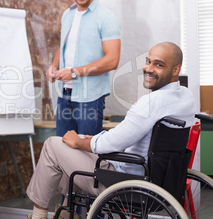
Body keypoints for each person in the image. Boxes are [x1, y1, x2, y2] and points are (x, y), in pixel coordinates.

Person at [27, 42, 195, 219]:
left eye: (158, 64)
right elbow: (129, 135)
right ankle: (66, 214)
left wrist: (79, 141)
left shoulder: (151, 103)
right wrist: (91, 139)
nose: (149, 68)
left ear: (176, 70)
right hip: (160, 180)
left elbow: (112, 143)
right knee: (77, 147)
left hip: (124, 181)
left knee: (53, 145)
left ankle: (39, 214)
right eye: (148, 61)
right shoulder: (185, 97)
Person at [47, 0, 121, 137]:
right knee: (62, 150)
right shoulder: (67, 15)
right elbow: (65, 46)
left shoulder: (106, 18)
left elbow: (112, 60)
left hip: (90, 98)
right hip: (65, 94)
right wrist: (54, 66)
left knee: (87, 154)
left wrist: (74, 72)